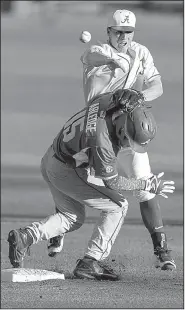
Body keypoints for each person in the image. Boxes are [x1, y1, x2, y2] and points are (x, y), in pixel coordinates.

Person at [47, 9, 177, 271]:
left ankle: (161, 248)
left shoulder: (142, 52)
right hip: (96, 131)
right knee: (76, 175)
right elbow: (92, 55)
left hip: (126, 131)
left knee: (145, 184)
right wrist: (116, 58)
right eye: (118, 32)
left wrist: (139, 97)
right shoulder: (97, 52)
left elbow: (157, 86)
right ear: (109, 32)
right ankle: (58, 229)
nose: (123, 36)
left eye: (128, 32)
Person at [8, 90, 175, 281]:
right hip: (66, 170)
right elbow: (113, 182)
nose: (129, 145)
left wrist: (133, 94)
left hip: (52, 159)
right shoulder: (102, 142)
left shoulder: (109, 102)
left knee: (71, 217)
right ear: (122, 128)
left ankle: (25, 237)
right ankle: (90, 262)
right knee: (118, 207)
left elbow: (116, 96)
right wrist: (146, 184)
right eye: (129, 139)